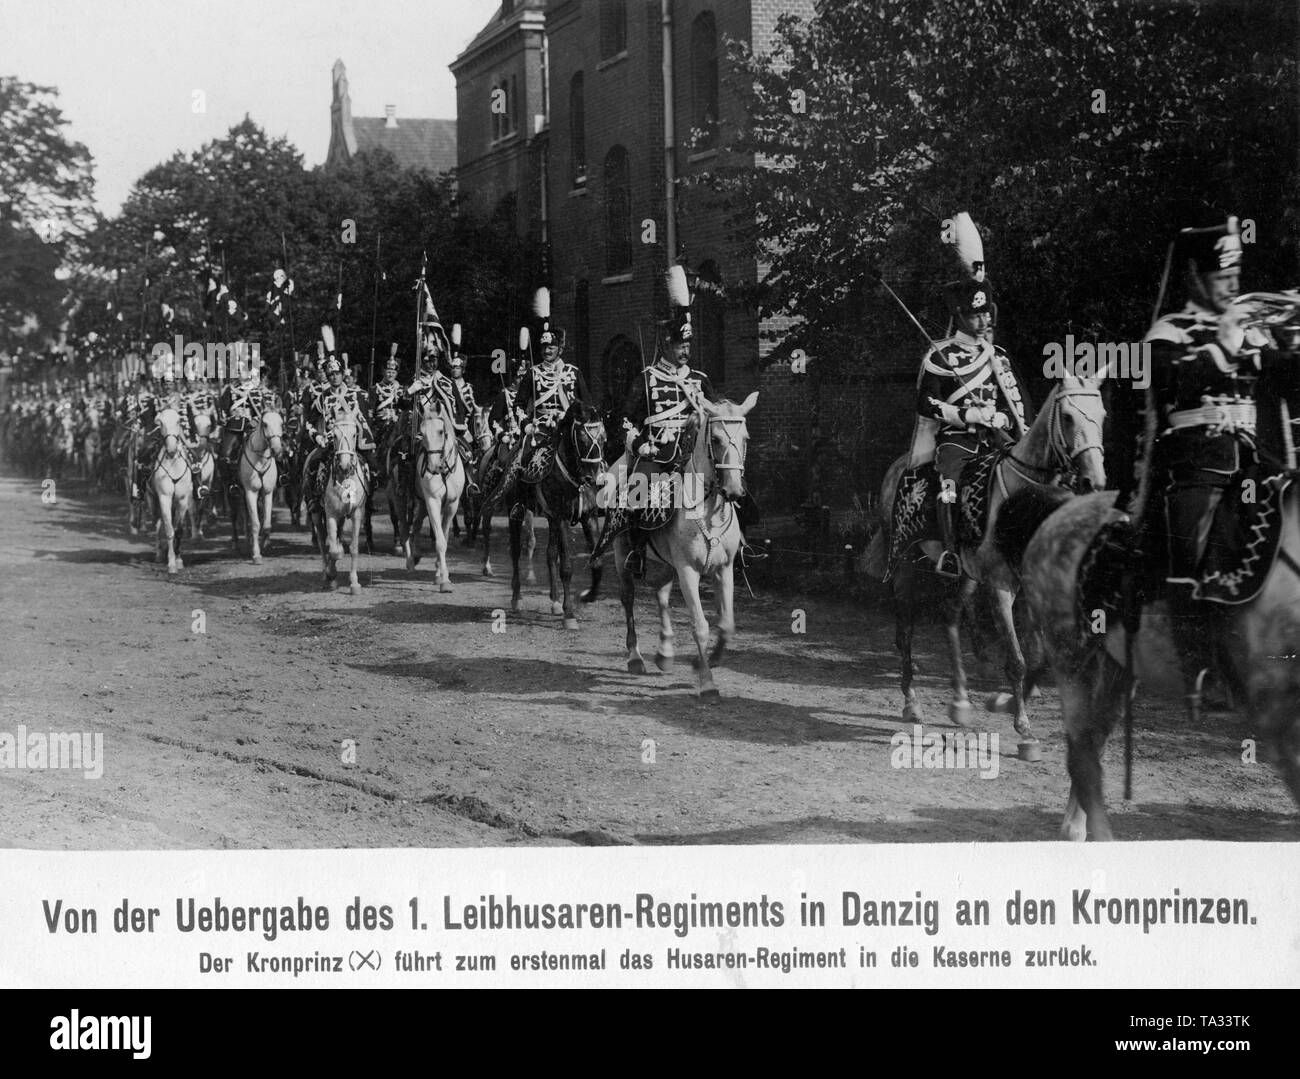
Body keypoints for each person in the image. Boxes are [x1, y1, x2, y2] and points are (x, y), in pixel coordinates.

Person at [1110, 215, 1273, 695]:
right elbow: (1163, 382)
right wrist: (1222, 346)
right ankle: (1202, 667)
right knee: (1195, 548)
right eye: (1223, 278)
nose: (1232, 287)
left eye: (1236, 278)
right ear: (1197, 278)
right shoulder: (1169, 330)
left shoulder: (1249, 323)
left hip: (1257, 458)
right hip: (1198, 462)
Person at [909, 276, 1027, 577]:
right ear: (959, 316)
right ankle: (951, 553)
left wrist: (1001, 418)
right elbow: (927, 404)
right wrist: (966, 415)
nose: (984, 319)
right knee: (949, 486)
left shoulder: (997, 357)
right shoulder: (940, 356)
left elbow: (1015, 405)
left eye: (987, 312)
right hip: (956, 441)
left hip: (996, 441)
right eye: (977, 314)